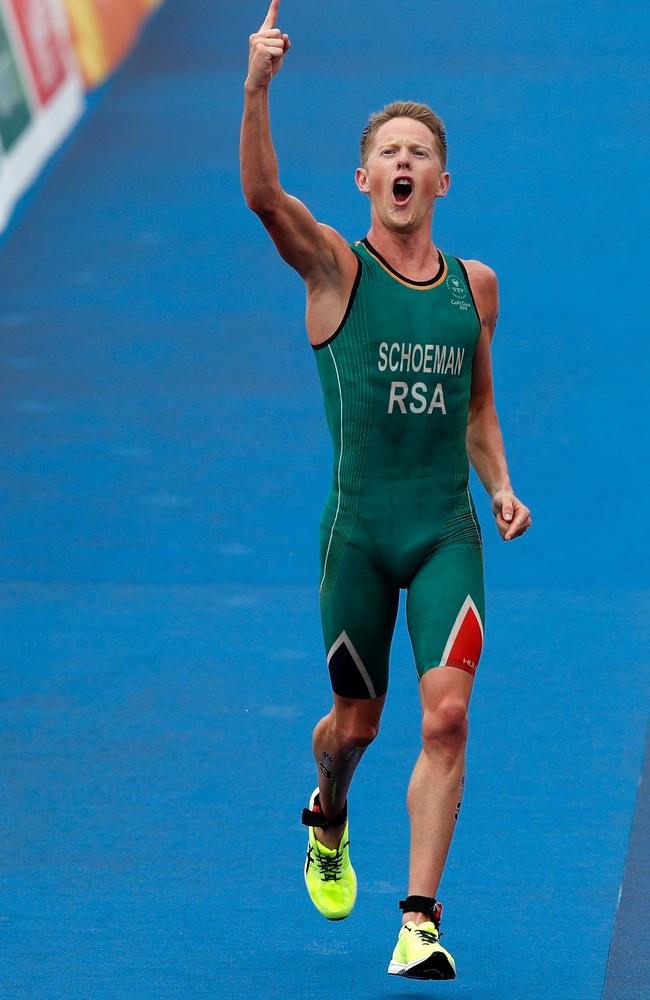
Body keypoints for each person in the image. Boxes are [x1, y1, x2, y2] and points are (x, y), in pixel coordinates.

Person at [240, 0, 532, 981]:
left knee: (445, 716)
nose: (402, 163)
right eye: (386, 152)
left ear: (439, 180)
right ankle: (326, 810)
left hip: (444, 529)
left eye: (418, 151)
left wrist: (498, 486)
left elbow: (477, 408)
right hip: (357, 538)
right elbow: (262, 197)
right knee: (353, 730)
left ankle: (417, 917)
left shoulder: (474, 287)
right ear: (365, 179)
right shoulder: (334, 271)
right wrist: (256, 85)